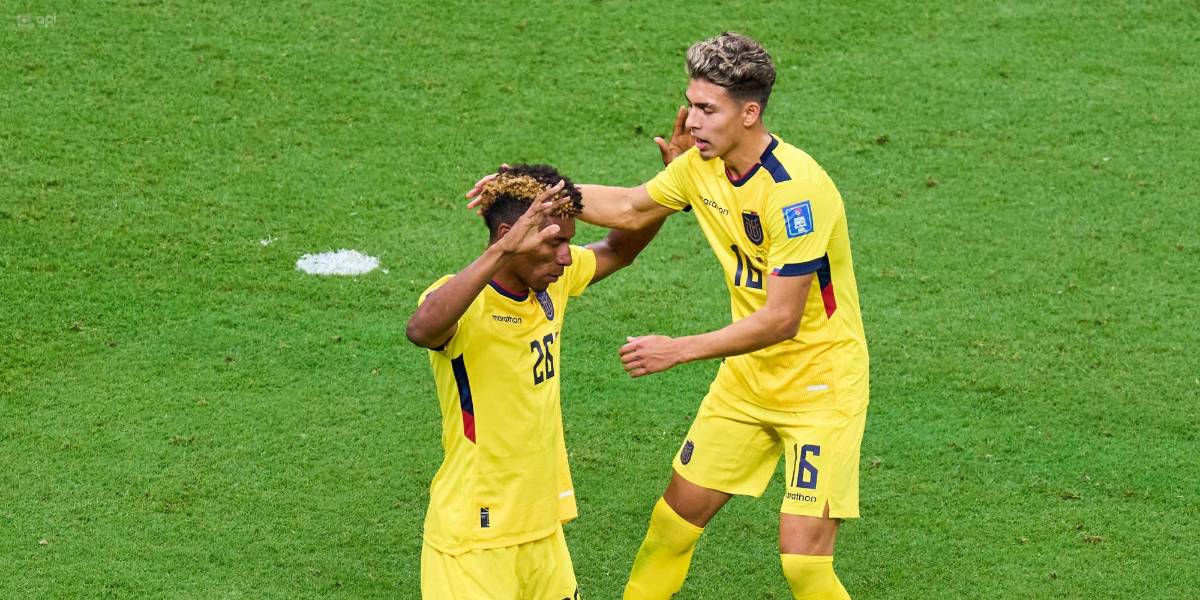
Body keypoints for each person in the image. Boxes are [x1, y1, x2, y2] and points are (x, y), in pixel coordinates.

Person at [471, 32, 869, 599]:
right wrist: (532, 191)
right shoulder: (701, 167)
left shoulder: (795, 193)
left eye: (708, 109)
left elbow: (782, 319)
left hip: (821, 389)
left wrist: (677, 349)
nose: (693, 121)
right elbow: (630, 207)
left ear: (749, 113)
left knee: (804, 565)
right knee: (670, 529)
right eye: (692, 104)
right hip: (747, 381)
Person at [407, 164, 662, 599]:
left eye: (568, 242)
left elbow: (618, 249)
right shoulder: (463, 299)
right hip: (474, 538)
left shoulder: (551, 283)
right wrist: (502, 252)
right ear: (510, 236)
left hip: (542, 526)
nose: (566, 257)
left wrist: (672, 186)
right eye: (554, 242)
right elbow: (421, 329)